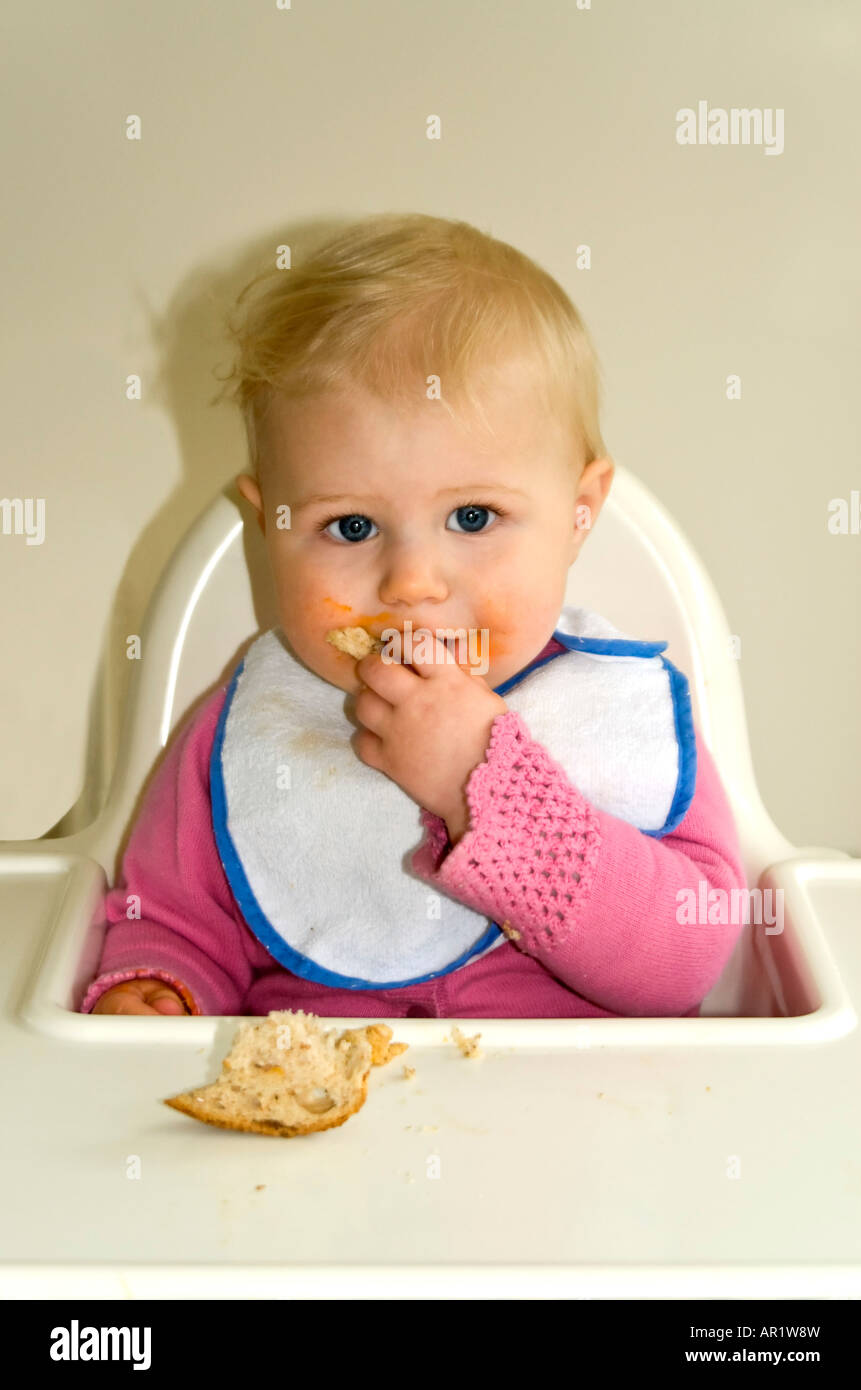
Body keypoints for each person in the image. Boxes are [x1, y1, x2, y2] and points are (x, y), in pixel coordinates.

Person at [80, 212, 746, 1019]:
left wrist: (485, 785)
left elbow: (687, 961)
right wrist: (159, 987)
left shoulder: (615, 708)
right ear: (269, 528)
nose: (412, 583)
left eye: (472, 518)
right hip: (320, 1130)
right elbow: (177, 924)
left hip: (577, 1124)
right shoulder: (246, 730)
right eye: (351, 528)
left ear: (579, 512)